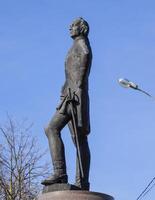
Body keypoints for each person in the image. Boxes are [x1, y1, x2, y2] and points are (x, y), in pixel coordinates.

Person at [42, 17, 92, 190]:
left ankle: (75, 178)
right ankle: (63, 174)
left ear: (82, 28)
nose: (70, 27)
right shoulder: (75, 45)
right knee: (58, 131)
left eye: (73, 25)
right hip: (69, 95)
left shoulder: (82, 44)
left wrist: (77, 86)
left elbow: (85, 58)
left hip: (75, 97)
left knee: (75, 137)